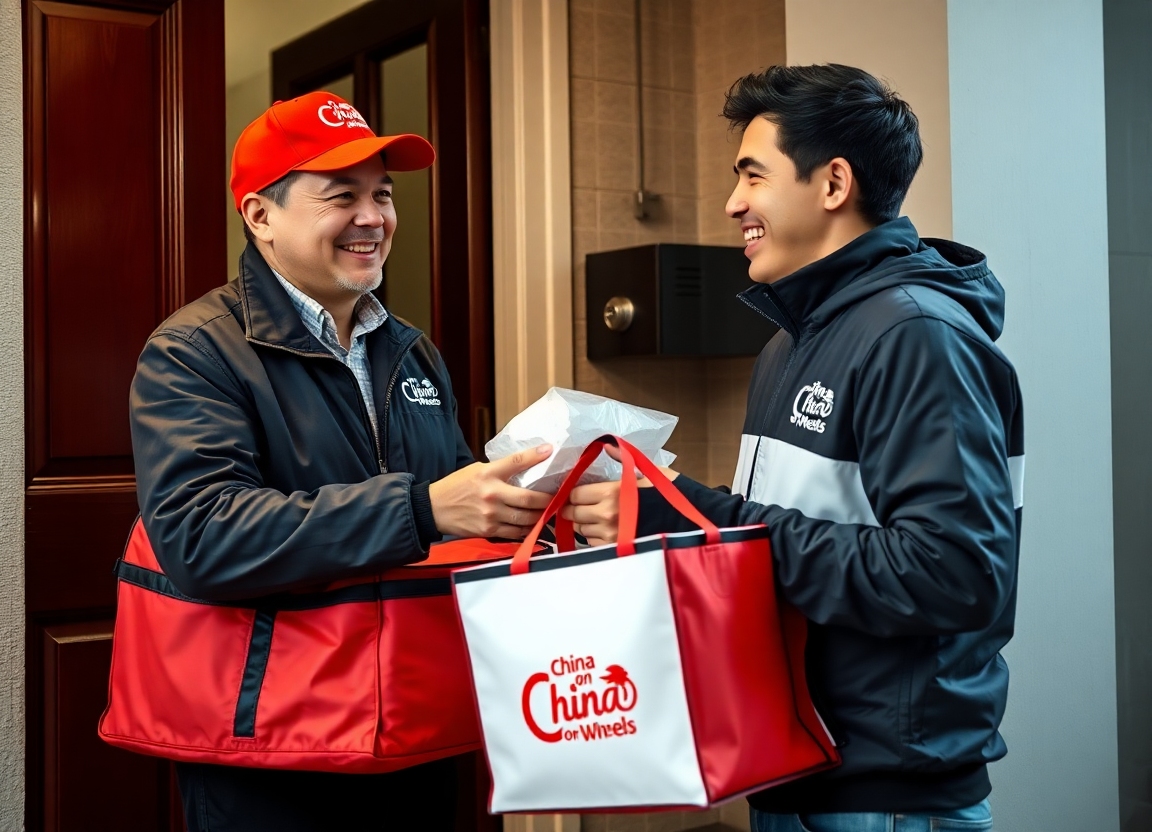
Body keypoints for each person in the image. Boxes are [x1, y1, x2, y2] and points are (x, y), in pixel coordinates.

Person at [563, 64, 1022, 832]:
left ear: (834, 183)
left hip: (886, 796)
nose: (733, 203)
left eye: (752, 174)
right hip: (794, 767)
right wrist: (671, 520)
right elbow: (783, 533)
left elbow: (954, 575)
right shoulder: (792, 341)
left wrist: (690, 520)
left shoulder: (917, 337)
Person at [129, 91, 552, 832]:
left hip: (417, 730)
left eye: (383, 195)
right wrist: (421, 510)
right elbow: (201, 537)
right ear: (260, 216)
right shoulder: (193, 351)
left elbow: (454, 523)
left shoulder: (411, 350)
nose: (373, 218)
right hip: (273, 745)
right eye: (341, 196)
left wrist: (528, 503)